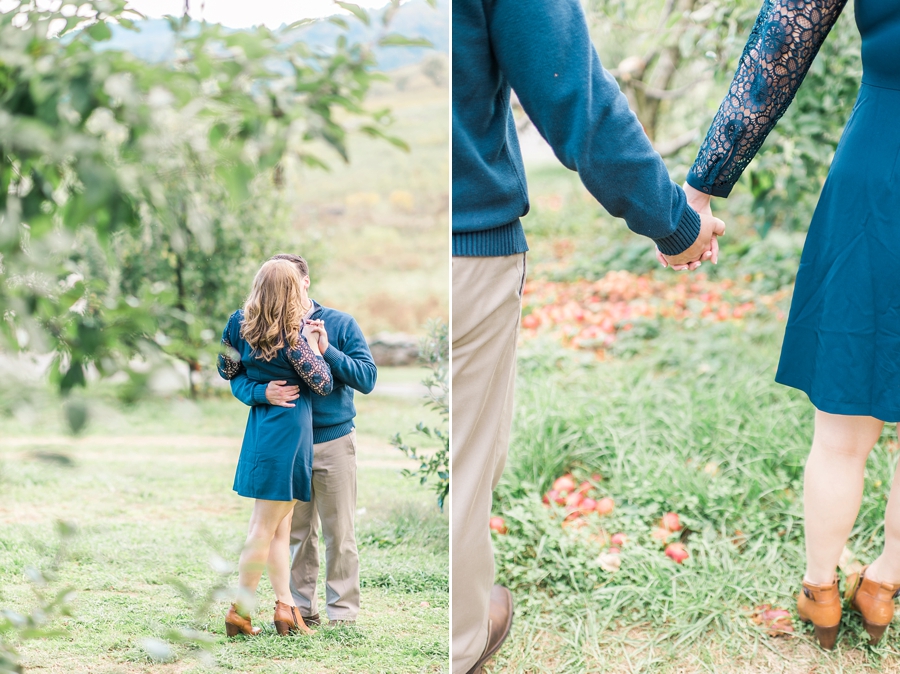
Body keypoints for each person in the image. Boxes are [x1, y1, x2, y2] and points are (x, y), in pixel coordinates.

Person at [451, 0, 724, 671]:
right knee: (464, 457)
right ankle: (456, 643)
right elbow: (572, 92)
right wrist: (675, 223)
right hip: (465, 244)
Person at [685, 0, 900, 650]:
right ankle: (884, 584)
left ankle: (821, 591)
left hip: (880, 180)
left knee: (840, 434)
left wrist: (702, 187)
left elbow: (778, 52)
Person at [229, 254, 377, 626]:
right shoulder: (260, 325)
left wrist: (326, 350)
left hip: (332, 442)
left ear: (305, 282)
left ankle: (342, 615)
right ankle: (299, 609)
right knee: (295, 535)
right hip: (288, 445)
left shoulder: (339, 323)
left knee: (339, 532)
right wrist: (263, 392)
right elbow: (236, 375)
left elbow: (367, 377)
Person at [217, 258, 334, 637]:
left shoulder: (238, 324)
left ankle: (286, 608)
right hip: (288, 433)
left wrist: (257, 389)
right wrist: (318, 347)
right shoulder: (294, 335)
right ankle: (240, 610)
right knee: (263, 528)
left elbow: (227, 371)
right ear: (290, 290)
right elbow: (323, 383)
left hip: (261, 430)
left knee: (279, 529)